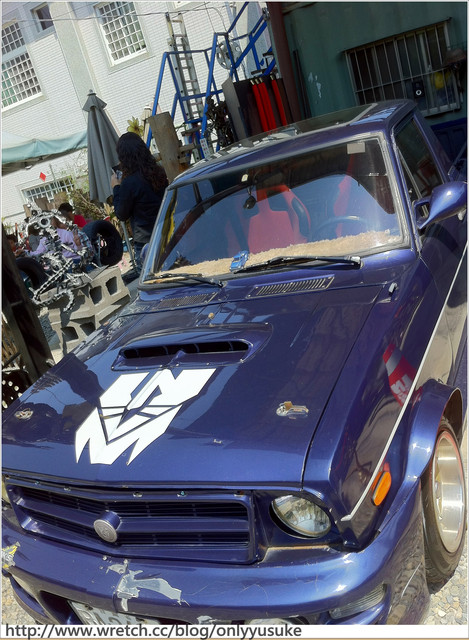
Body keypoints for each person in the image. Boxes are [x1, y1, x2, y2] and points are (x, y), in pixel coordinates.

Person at [111, 132, 168, 272]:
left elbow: (121, 214)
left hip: (145, 242)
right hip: (166, 233)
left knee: (151, 280)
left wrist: (116, 187)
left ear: (124, 157)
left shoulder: (129, 183)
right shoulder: (159, 172)